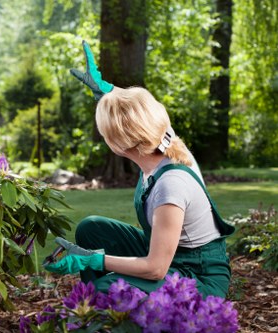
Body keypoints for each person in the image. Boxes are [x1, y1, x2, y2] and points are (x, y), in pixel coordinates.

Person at [44, 41, 235, 298]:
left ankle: (105, 305)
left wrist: (94, 261)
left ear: (117, 145)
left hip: (199, 278)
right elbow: (143, 112)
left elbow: (156, 268)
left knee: (108, 287)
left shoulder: (171, 185)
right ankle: (94, 307)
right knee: (91, 229)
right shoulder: (164, 141)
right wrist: (106, 90)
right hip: (172, 256)